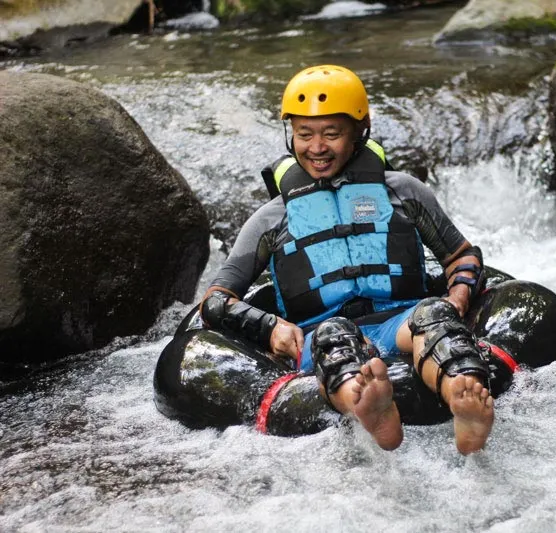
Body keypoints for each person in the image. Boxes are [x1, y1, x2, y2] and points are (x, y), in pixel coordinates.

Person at [200, 65, 493, 454]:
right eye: (304, 134)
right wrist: (270, 328)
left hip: (399, 321)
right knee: (333, 334)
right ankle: (369, 407)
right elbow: (216, 300)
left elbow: (462, 256)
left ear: (360, 130)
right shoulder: (271, 219)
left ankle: (463, 398)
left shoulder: (403, 192)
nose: (316, 147)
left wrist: (455, 298)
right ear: (291, 135)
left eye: (331, 134)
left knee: (433, 317)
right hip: (319, 333)